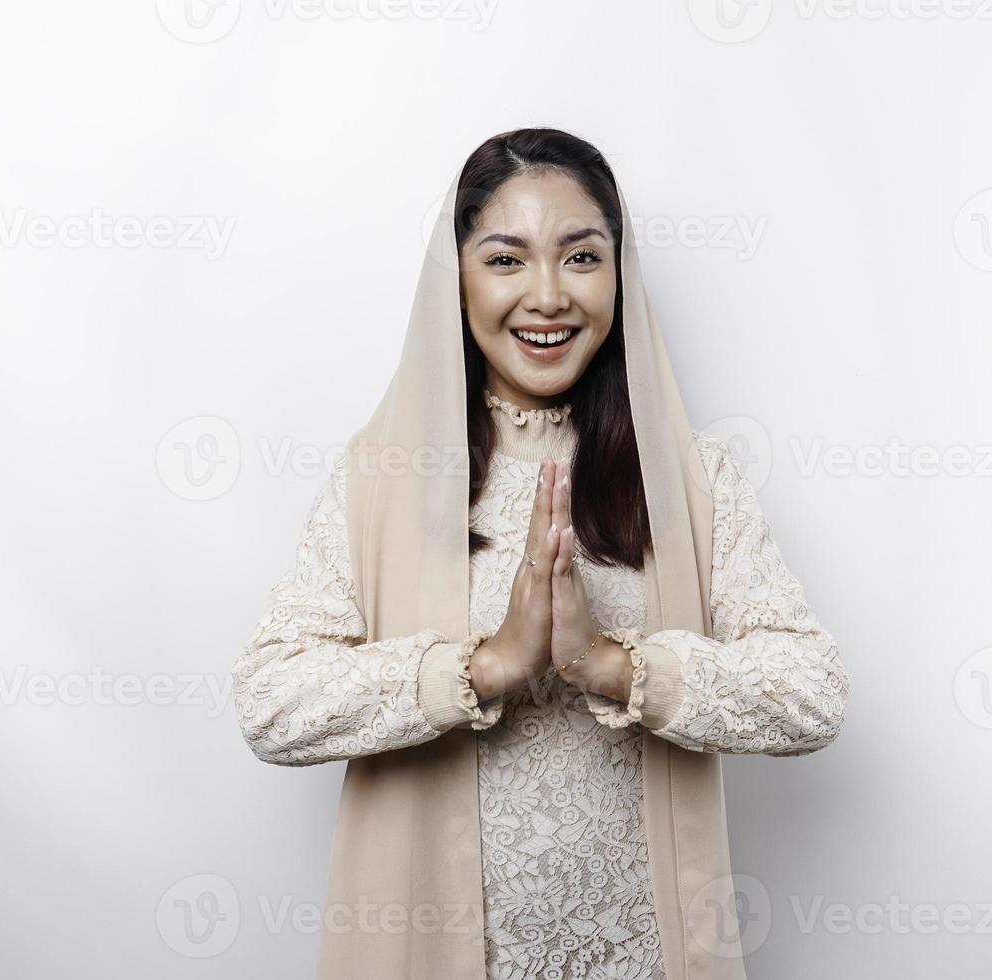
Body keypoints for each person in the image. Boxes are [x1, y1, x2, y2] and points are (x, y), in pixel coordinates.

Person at [232, 127, 849, 980]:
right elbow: (270, 703)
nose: (549, 296)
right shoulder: (384, 475)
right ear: (456, 280)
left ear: (620, 277)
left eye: (582, 257)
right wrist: (486, 666)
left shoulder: (690, 477)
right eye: (506, 259)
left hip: (641, 954)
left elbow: (813, 696)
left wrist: (611, 665)